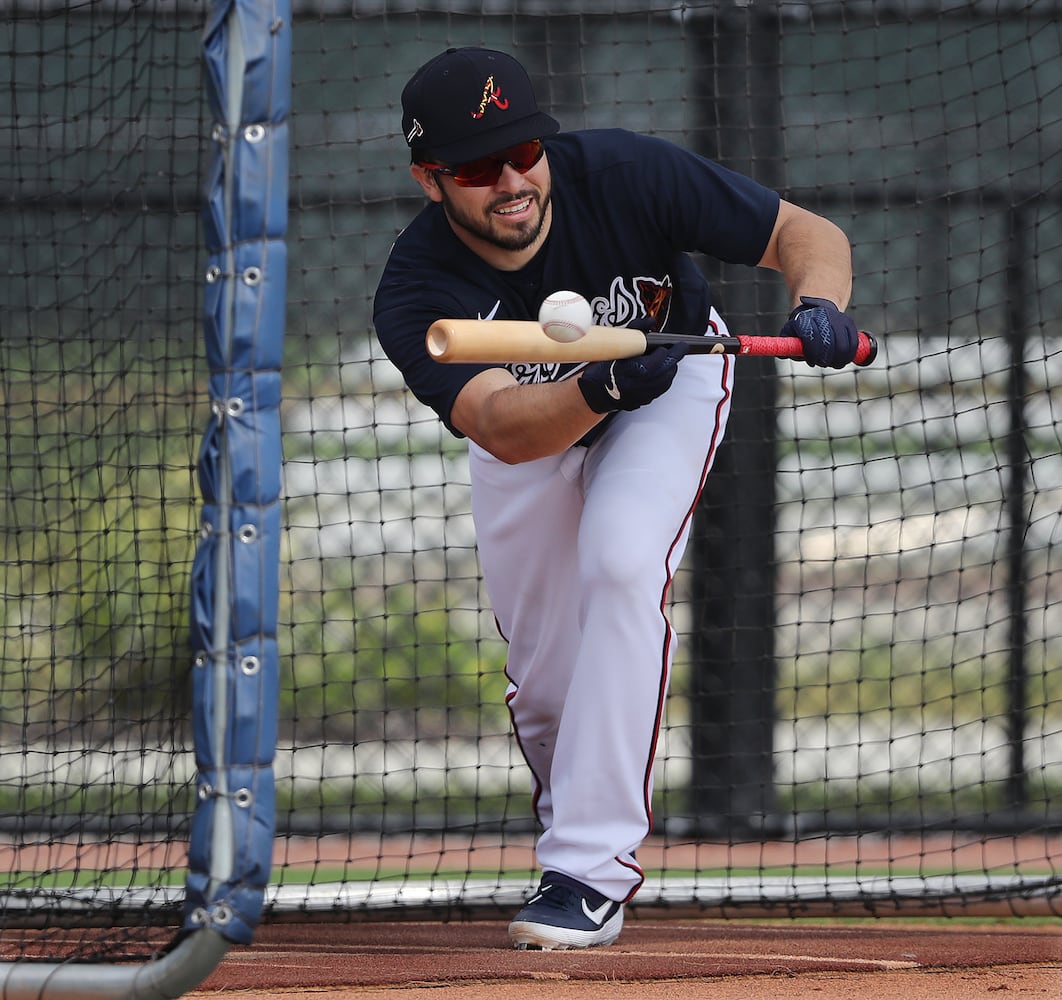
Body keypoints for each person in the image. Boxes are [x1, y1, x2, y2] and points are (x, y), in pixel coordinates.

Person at [373, 47, 858, 951]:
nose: (513, 180)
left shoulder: (630, 173)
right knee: (551, 685)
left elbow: (808, 235)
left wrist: (819, 306)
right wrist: (600, 388)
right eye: (480, 167)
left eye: (526, 151)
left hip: (670, 379)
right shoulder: (415, 288)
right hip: (538, 420)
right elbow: (506, 429)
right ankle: (576, 820)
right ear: (430, 180)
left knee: (622, 563)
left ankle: (586, 873)